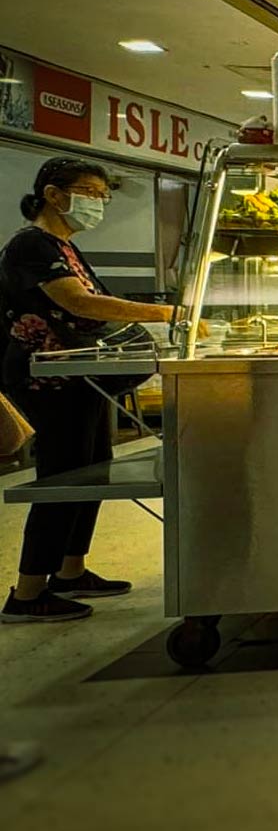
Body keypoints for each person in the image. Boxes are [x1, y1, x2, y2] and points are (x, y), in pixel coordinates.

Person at [2, 158, 178, 623]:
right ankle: (27, 592)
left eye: (103, 195)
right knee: (62, 479)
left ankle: (69, 570)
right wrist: (166, 314)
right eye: (89, 192)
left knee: (92, 472)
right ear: (54, 195)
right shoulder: (31, 245)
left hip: (82, 375)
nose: (98, 203)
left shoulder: (64, 246)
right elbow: (78, 302)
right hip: (50, 378)